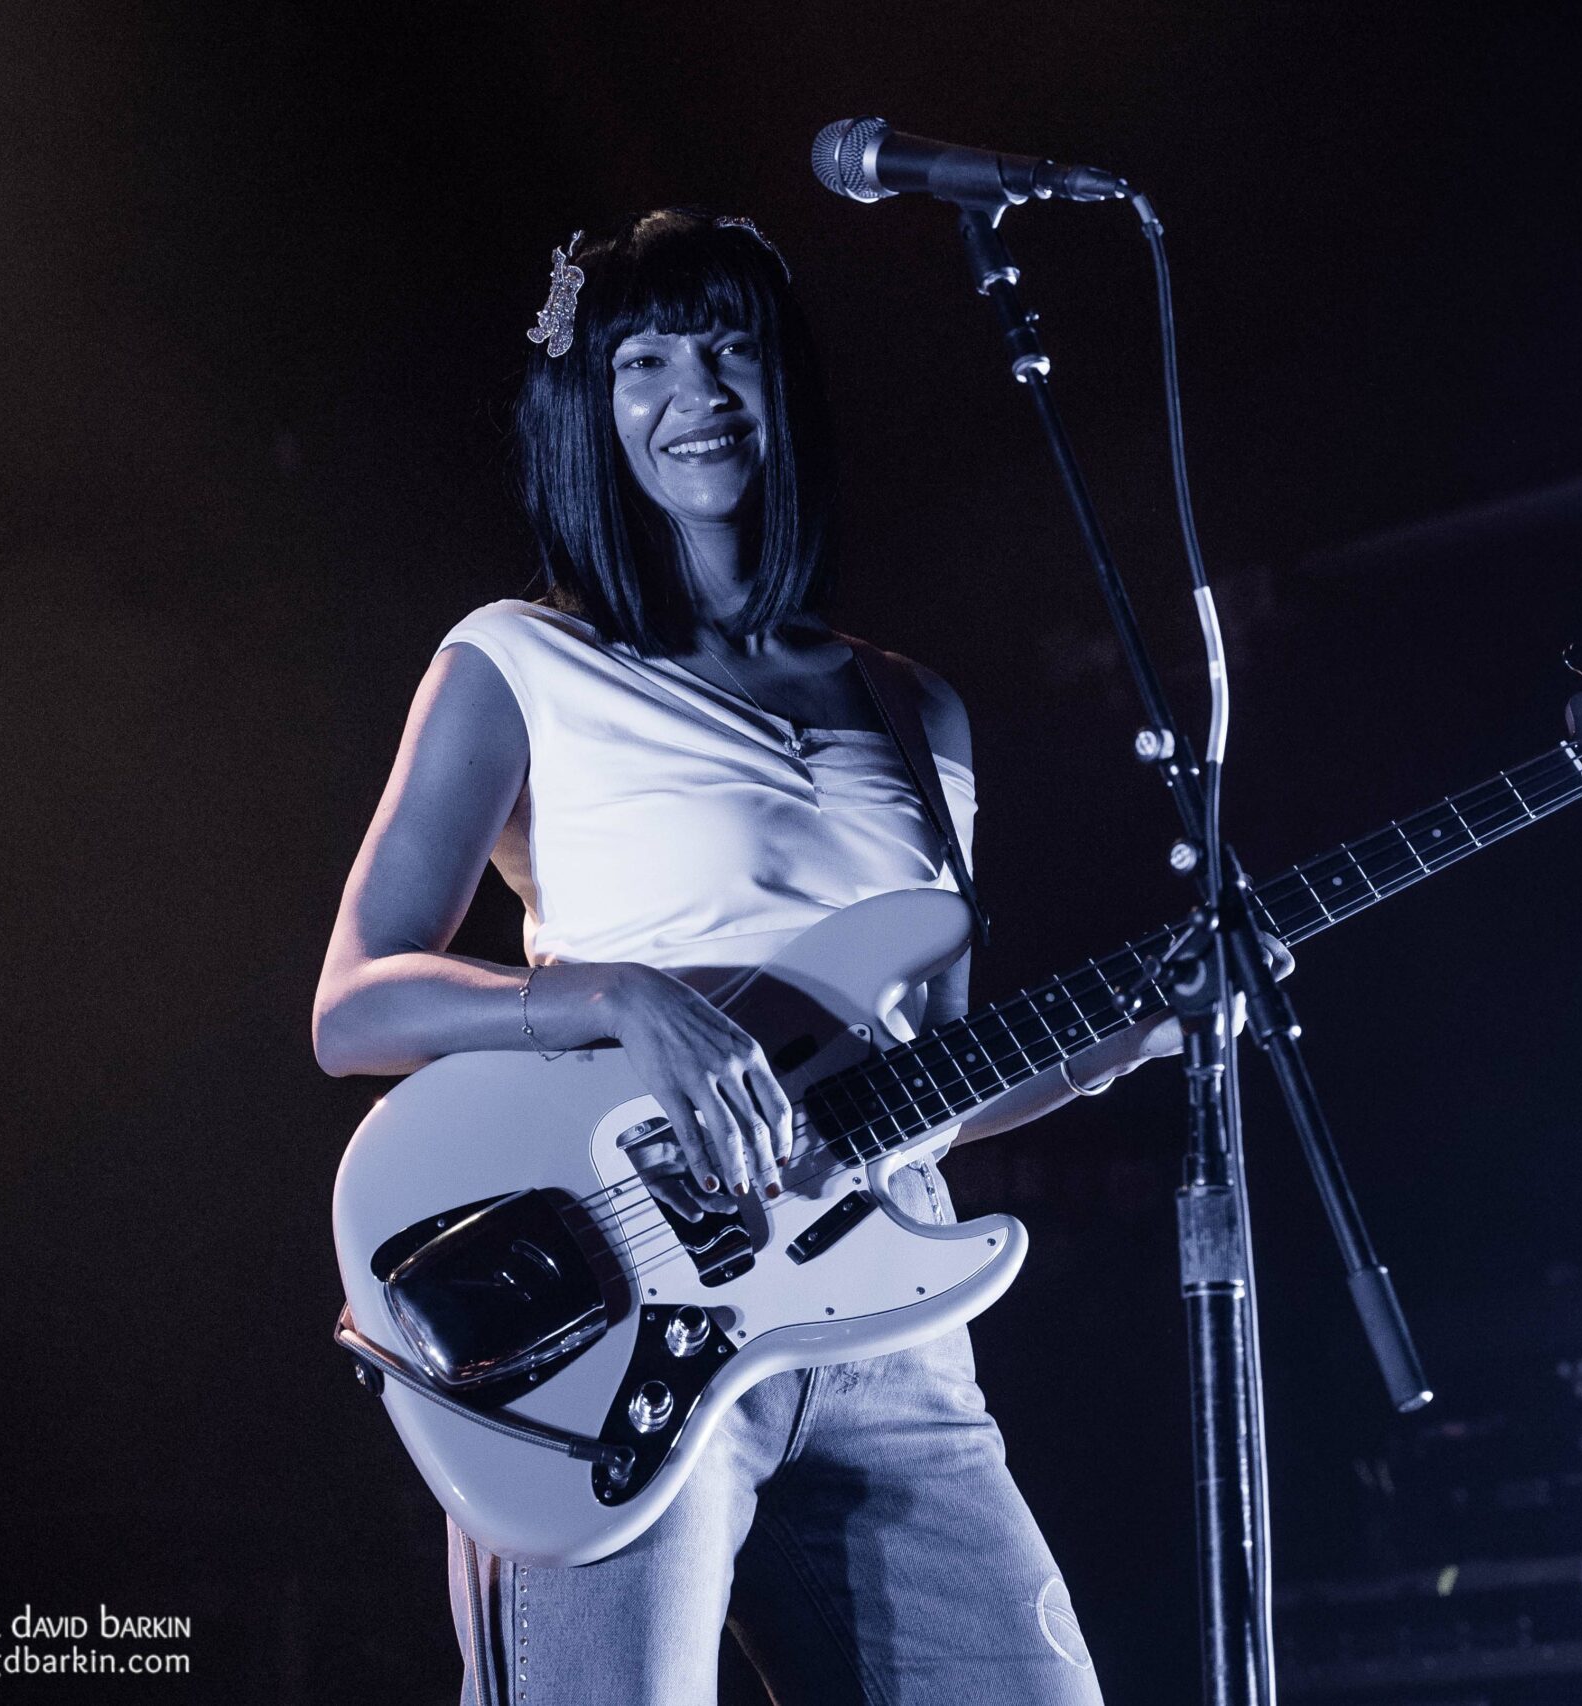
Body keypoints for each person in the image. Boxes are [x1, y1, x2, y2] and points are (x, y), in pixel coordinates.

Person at [311, 209, 1171, 1705]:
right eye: (646, 360)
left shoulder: (916, 709)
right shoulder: (518, 661)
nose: (697, 393)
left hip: (897, 1343)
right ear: (591, 405)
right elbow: (354, 1007)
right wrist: (621, 999)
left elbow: (926, 1090)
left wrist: (1120, 1046)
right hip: (629, 1317)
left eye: (731, 350)